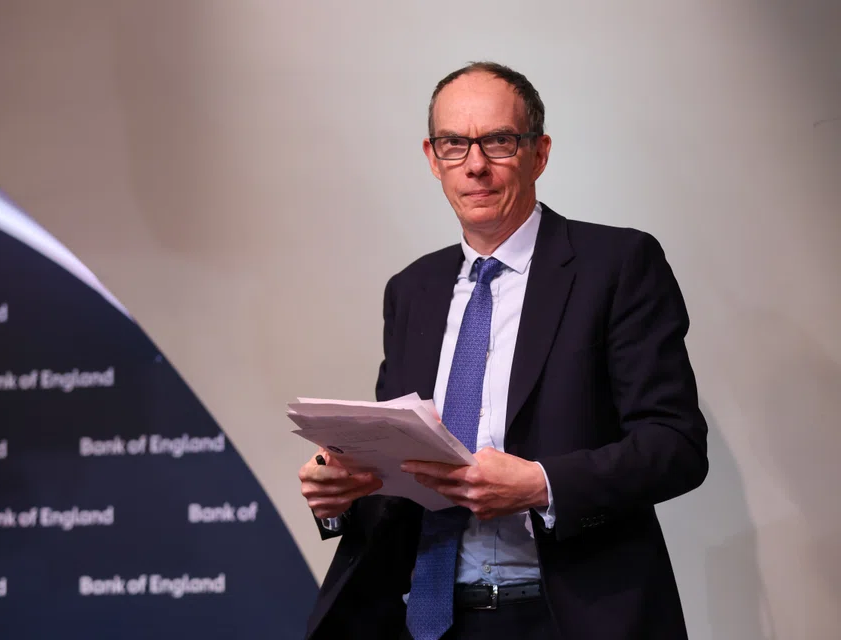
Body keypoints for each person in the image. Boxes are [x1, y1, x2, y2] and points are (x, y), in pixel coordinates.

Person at [298, 61, 708, 640]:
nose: (475, 164)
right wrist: (343, 489)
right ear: (432, 157)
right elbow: (402, 469)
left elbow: (676, 444)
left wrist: (542, 484)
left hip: (568, 619)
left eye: (498, 141)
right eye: (453, 144)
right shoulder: (412, 290)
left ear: (539, 153)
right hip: (429, 621)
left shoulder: (616, 266)